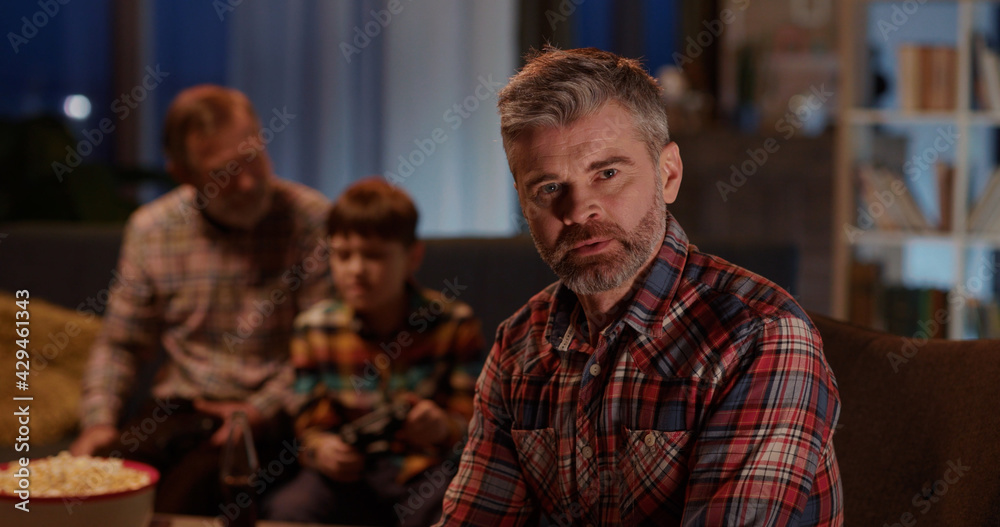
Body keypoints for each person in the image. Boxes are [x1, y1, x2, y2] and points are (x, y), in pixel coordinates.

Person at [437, 47, 842, 525]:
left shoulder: (763, 337)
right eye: (548, 188)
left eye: (607, 174)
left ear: (667, 175)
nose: (578, 211)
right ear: (523, 202)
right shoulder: (518, 345)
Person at [69, 85, 332, 516]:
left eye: (253, 160)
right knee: (98, 492)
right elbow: (121, 344)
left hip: (269, 415)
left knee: (182, 499)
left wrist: (256, 410)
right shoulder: (152, 230)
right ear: (182, 173)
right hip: (178, 409)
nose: (247, 183)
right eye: (225, 173)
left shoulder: (311, 220)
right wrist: (98, 421)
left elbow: (320, 351)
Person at [264, 178, 484, 526]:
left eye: (374, 256)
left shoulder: (453, 323)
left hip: (423, 471)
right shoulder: (315, 329)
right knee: (288, 512)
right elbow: (308, 423)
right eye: (342, 255)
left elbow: (476, 425)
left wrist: (441, 428)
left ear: (413, 256)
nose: (356, 270)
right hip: (347, 476)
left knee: (454, 508)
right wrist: (322, 449)